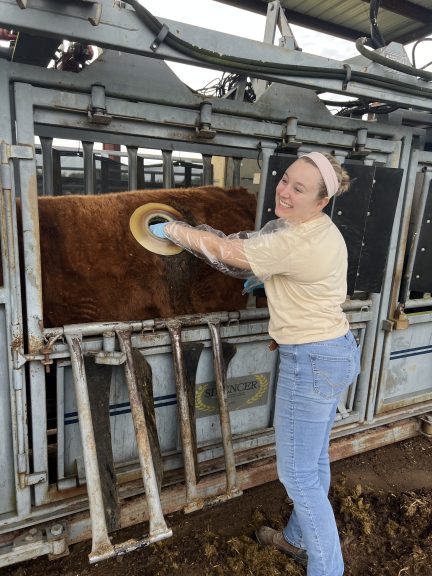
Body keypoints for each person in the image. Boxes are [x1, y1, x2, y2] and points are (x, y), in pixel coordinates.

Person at [149, 151, 361, 576]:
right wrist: (273, 284)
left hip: (312, 359)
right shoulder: (321, 231)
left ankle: (327, 569)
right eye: (285, 180)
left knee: (298, 476)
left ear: (321, 201)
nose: (284, 191)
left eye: (298, 189)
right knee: (314, 461)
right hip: (334, 348)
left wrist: (175, 230)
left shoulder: (293, 240)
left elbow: (225, 249)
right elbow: (303, 278)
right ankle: (297, 539)